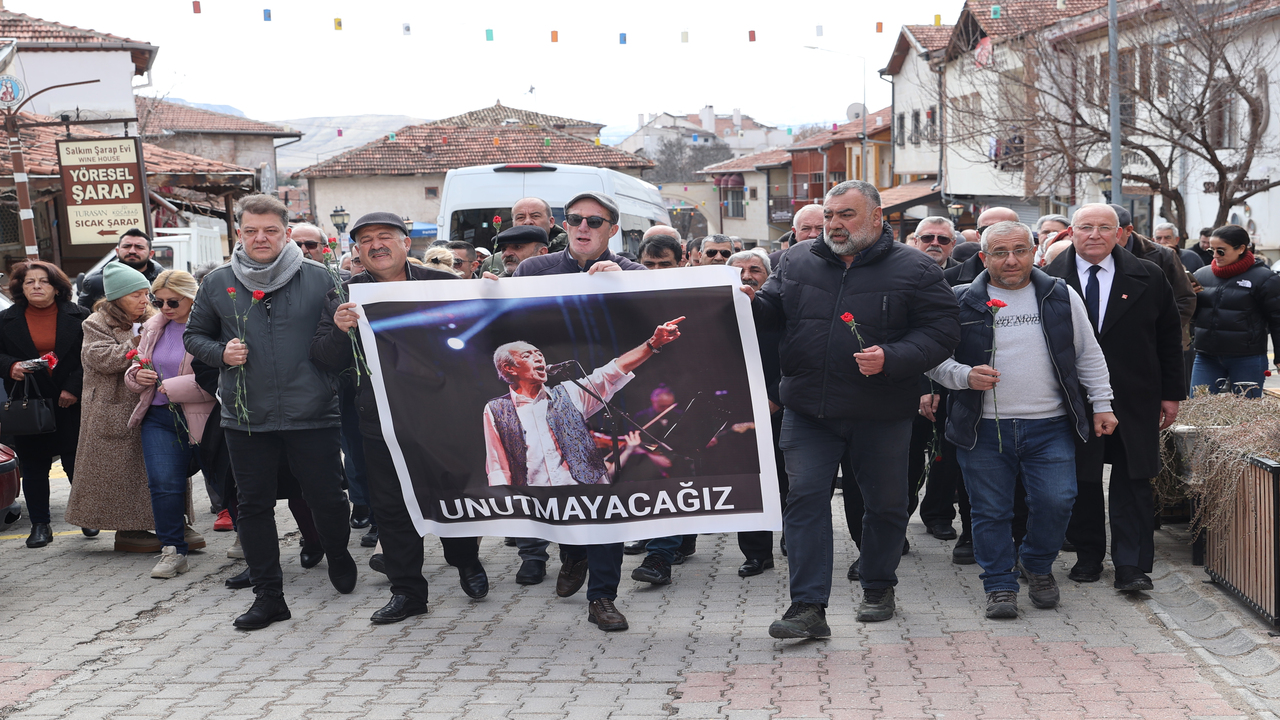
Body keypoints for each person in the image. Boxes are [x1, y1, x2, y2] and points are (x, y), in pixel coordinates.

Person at [748, 180, 960, 638]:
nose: (834, 224)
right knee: (804, 500)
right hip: (808, 410)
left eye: (846, 214)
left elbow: (943, 331)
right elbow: (771, 313)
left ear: (877, 217)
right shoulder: (795, 260)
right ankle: (807, 607)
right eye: (829, 215)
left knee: (885, 505)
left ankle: (879, 586)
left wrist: (893, 357)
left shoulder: (918, 269)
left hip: (881, 411)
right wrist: (748, 301)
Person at [926, 221, 1117, 618]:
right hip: (983, 428)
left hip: (1050, 426)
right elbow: (931, 359)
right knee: (989, 511)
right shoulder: (959, 300)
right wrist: (964, 376)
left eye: (1019, 250)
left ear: (1035, 253)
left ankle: (1036, 561)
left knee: (1057, 500)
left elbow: (1089, 356)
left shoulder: (1060, 295)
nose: (1011, 260)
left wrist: (1102, 404)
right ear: (983, 257)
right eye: (999, 252)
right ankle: (999, 585)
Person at [185, 193, 357, 630]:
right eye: (251, 230)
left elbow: (343, 347)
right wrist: (222, 352)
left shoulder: (322, 278)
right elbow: (193, 337)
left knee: (327, 498)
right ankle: (269, 596)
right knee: (253, 506)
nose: (261, 238)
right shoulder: (217, 281)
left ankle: (337, 552)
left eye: (271, 230)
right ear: (238, 232)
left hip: (313, 411)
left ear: (286, 232)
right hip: (246, 416)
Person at [312, 211, 490, 623]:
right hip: (382, 422)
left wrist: (491, 294)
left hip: (444, 417)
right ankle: (408, 592)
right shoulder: (345, 294)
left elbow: (482, 337)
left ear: (407, 243)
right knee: (392, 508)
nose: (377, 245)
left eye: (386, 236)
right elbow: (322, 359)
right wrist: (340, 330)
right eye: (366, 240)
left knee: (455, 497)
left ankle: (466, 560)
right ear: (356, 250)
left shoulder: (444, 284)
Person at [507, 190, 647, 632]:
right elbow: (506, 321)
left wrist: (623, 287)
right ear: (562, 225)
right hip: (547, 400)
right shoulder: (534, 269)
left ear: (613, 229)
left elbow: (651, 324)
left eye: (595, 221)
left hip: (603, 400)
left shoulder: (632, 271)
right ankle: (573, 553)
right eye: (574, 220)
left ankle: (602, 597)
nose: (583, 228)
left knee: (604, 498)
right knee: (557, 491)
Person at [1044, 203, 1185, 592]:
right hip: (1072, 398)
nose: (1095, 235)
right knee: (1081, 479)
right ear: (1070, 233)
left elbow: (1169, 339)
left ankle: (1131, 566)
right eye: (1085, 227)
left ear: (1120, 233)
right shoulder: (1048, 279)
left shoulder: (1150, 275)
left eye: (1104, 228)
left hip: (1136, 394)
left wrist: (1172, 394)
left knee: (1133, 480)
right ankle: (1088, 557)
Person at [67, 263, 202, 554]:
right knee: (123, 473)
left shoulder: (156, 317)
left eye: (146, 294)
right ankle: (129, 530)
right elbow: (100, 359)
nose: (145, 301)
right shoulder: (96, 322)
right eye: (136, 295)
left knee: (160, 472)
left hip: (154, 404)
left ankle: (172, 524)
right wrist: (139, 340)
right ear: (117, 297)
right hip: (113, 408)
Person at [125, 270, 216, 579]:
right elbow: (138, 364)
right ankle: (173, 550)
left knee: (224, 481)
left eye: (172, 301)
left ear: (192, 297)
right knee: (163, 484)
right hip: (159, 417)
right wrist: (137, 375)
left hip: (205, 416)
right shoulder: (154, 327)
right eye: (158, 300)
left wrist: (175, 387)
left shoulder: (211, 326)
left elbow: (221, 376)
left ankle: (249, 536)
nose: (164, 307)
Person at [0, 261, 91, 548]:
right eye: (29, 282)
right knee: (35, 465)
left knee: (75, 461)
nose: (36, 287)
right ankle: (40, 524)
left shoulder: (80, 316)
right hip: (28, 401)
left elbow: (86, 357)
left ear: (57, 287)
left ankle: (88, 515)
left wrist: (73, 388)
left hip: (69, 400)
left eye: (43, 281)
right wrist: (10, 366)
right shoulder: (6, 320)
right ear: (20, 288)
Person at [906, 217, 970, 554]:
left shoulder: (965, 277)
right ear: (914, 240)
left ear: (953, 244)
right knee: (907, 456)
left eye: (943, 239)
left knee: (948, 454)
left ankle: (939, 513)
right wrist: (922, 384)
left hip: (955, 382)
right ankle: (898, 519)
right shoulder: (898, 273)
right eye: (927, 237)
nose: (935, 243)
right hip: (909, 382)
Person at [729, 250, 787, 577]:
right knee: (749, 485)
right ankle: (756, 553)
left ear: (769, 277)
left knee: (789, 481)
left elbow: (795, 356)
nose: (747, 275)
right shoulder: (715, 313)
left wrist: (774, 401)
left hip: (780, 410)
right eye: (738, 271)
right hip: (736, 416)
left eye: (755, 270)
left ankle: (793, 539)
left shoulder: (779, 313)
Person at [1189, 224, 1280, 397]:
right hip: (1206, 356)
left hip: (1247, 357)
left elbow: (1277, 321)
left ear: (1241, 249)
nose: (1215, 256)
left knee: (1245, 417)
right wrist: (1189, 297)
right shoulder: (1201, 275)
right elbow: (1190, 315)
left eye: (1221, 251)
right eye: (1212, 251)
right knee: (1197, 409)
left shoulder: (1265, 279)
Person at [77, 229, 164, 309]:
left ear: (151, 254)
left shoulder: (164, 281)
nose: (132, 251)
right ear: (117, 252)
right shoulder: (96, 281)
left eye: (139, 247)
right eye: (127, 246)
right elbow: (83, 316)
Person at [946, 208, 1020, 285]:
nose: (996, 235)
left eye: (1004, 229)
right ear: (978, 236)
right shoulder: (950, 278)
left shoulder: (1032, 274)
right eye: (986, 230)